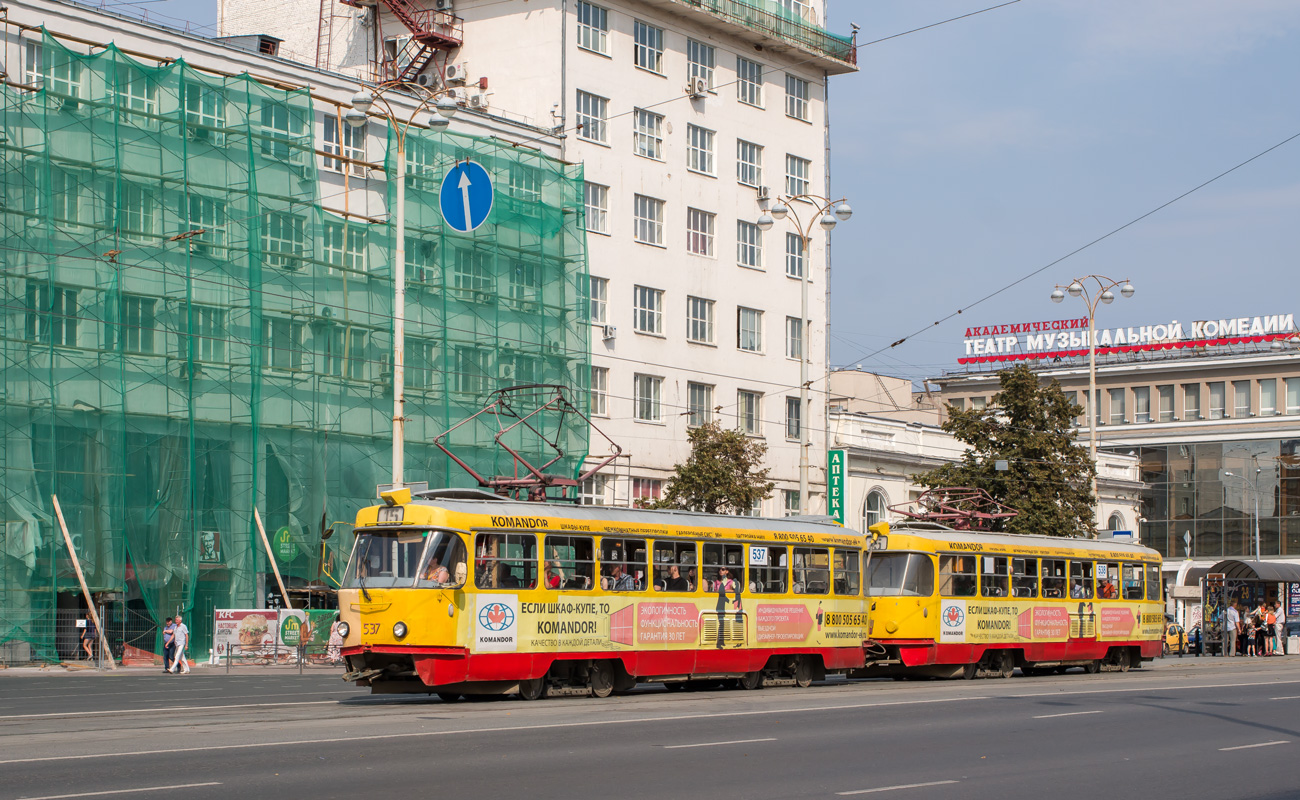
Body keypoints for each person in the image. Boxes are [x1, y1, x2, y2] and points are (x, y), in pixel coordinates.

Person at [714, 566, 741, 649]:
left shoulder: (731, 582)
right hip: (719, 604)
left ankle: (724, 642)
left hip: (728, 606)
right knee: (720, 623)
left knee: (725, 624)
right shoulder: (716, 582)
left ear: (727, 571)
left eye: (723, 569)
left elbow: (736, 590)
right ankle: (720, 642)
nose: (720, 571)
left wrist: (724, 591)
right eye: (720, 569)